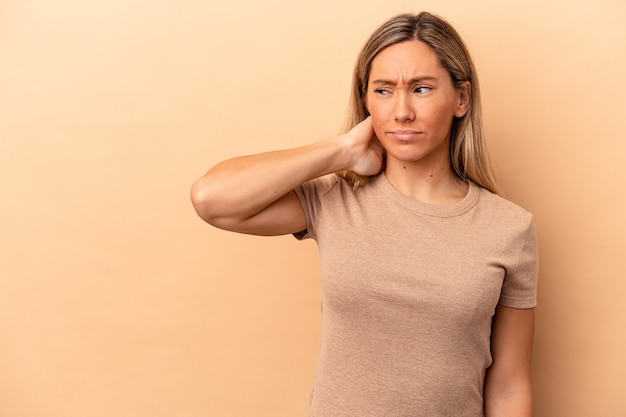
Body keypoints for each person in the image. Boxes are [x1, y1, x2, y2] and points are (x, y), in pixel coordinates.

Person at [191, 11, 538, 417]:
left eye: (422, 89)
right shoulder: (335, 201)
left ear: (461, 98)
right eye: (384, 90)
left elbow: (510, 387)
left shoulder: (509, 228)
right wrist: (342, 151)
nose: (402, 111)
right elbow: (211, 199)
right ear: (366, 100)